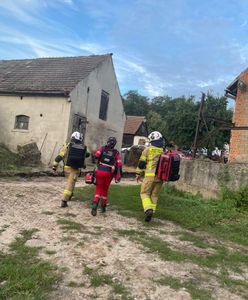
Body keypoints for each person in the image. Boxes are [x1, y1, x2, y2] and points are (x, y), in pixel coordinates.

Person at [52, 131, 89, 208]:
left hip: (66, 169)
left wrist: (54, 168)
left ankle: (71, 194)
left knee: (70, 183)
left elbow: (59, 157)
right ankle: (64, 201)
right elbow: (87, 154)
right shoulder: (82, 147)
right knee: (70, 185)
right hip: (74, 170)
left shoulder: (67, 146)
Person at [135, 131, 164, 222]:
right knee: (154, 195)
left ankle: (148, 210)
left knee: (144, 193)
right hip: (160, 178)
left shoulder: (147, 150)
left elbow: (141, 164)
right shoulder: (163, 151)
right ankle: (152, 213)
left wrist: (138, 174)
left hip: (149, 176)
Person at [91, 137, 122, 216]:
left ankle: (95, 204)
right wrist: (119, 174)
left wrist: (97, 164)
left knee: (99, 188)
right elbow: (119, 164)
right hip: (109, 172)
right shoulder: (116, 152)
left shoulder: (102, 149)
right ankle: (103, 207)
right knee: (105, 189)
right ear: (114, 144)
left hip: (100, 170)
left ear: (107, 142)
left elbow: (96, 156)